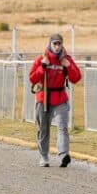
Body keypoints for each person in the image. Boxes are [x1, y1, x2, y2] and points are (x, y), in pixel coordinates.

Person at [28, 33, 81, 168]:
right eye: (54, 44)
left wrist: (68, 65)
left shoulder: (66, 59)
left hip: (60, 98)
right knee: (44, 129)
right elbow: (32, 78)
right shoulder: (41, 59)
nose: (57, 47)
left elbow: (76, 78)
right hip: (44, 98)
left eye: (59, 44)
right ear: (50, 44)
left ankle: (63, 155)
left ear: (62, 44)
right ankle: (44, 156)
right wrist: (42, 67)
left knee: (63, 127)